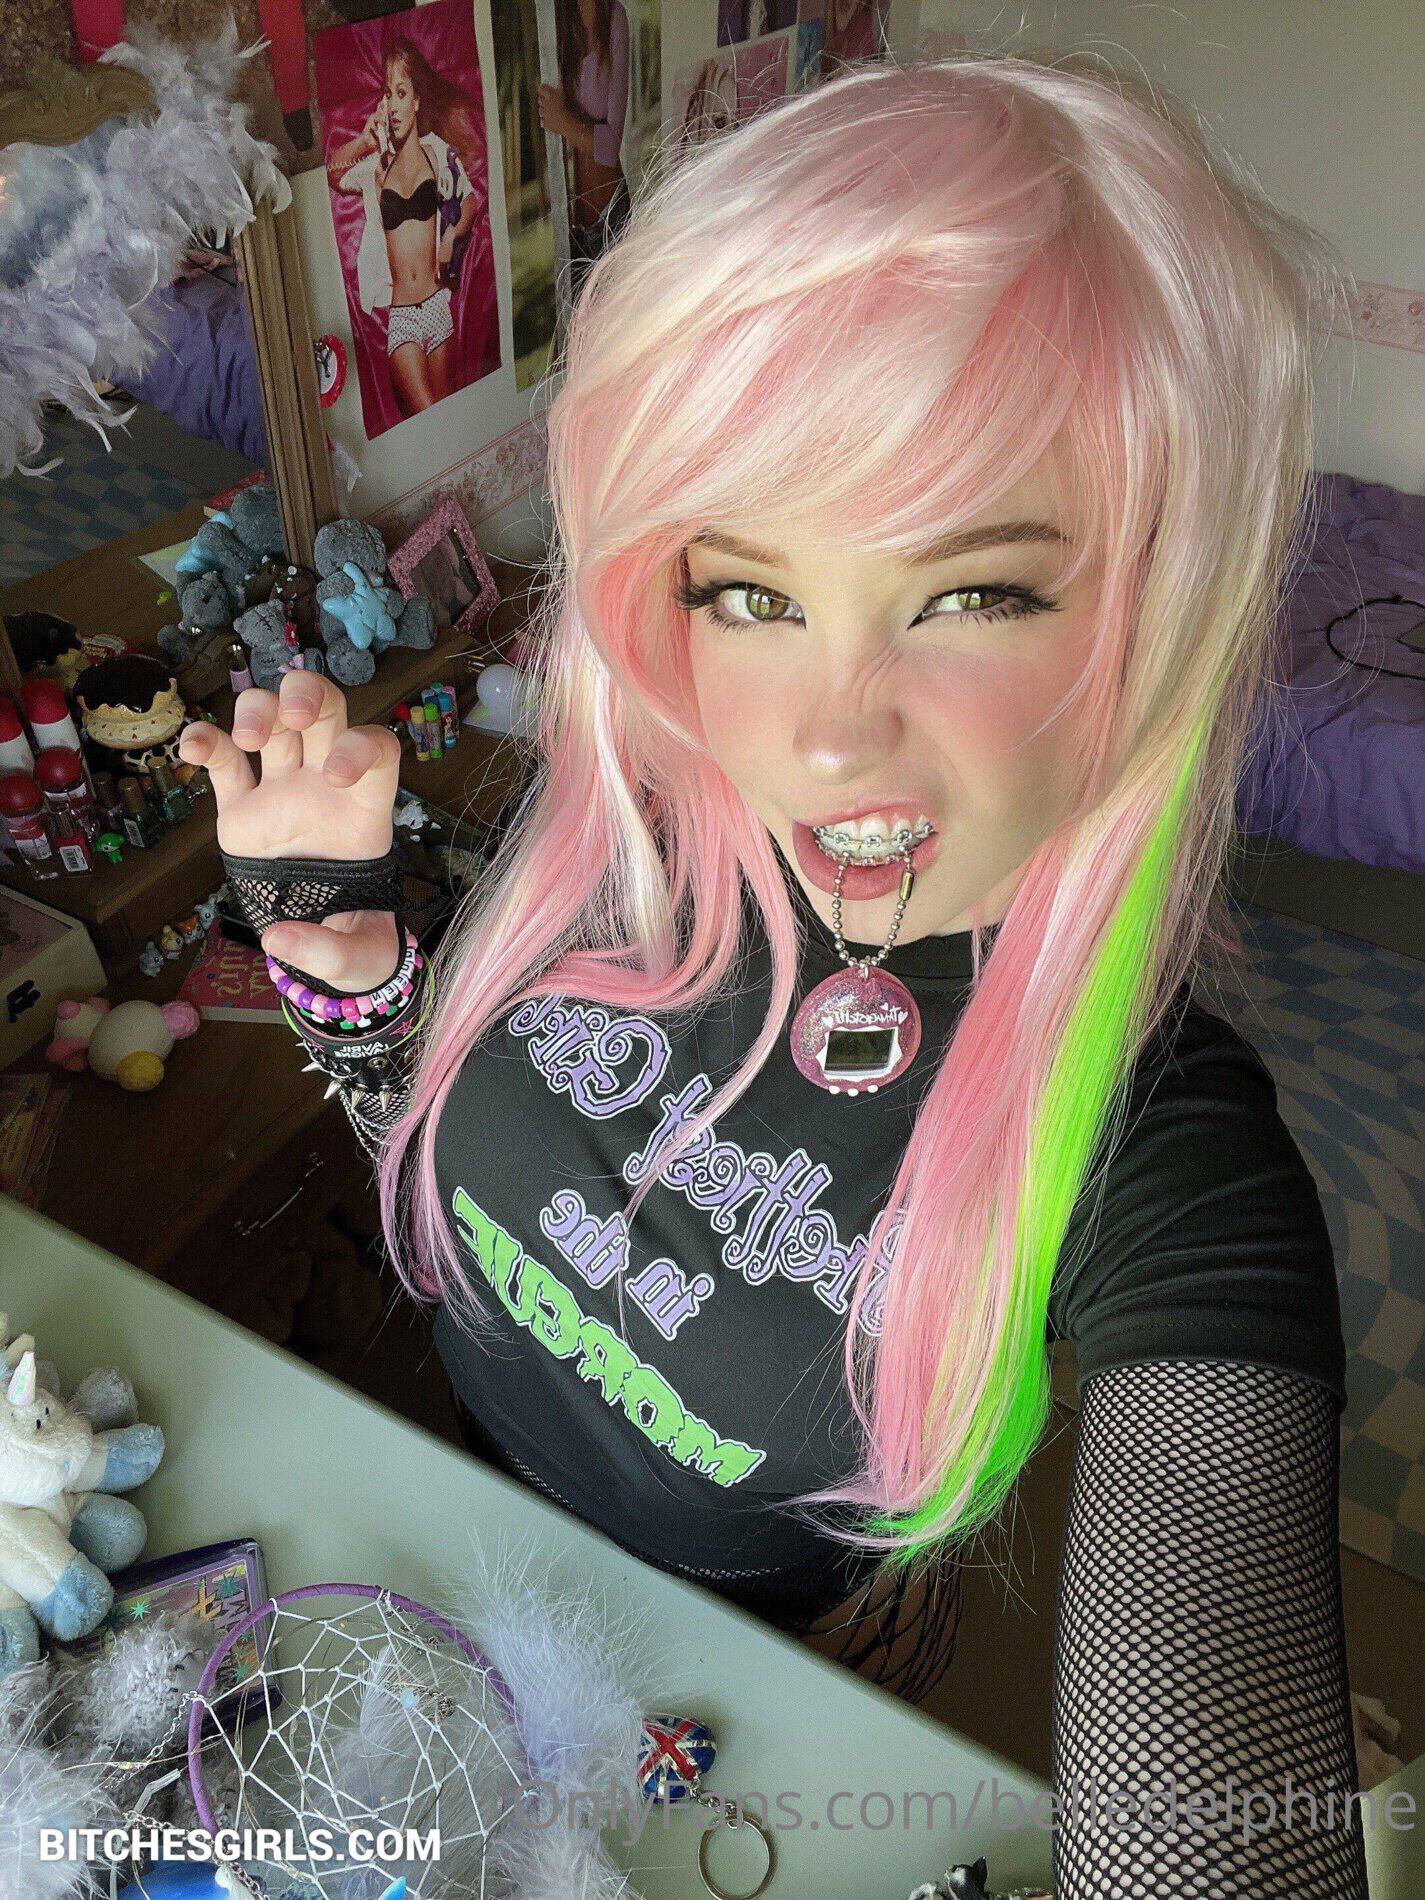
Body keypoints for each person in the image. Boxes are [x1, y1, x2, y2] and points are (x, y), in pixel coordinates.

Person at [181, 53, 1370, 1895]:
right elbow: (459, 1152)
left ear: (1159, 608)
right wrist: (352, 972)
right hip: (430, 1507)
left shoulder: (1161, 1151)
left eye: (973, 594)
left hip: (739, 1684)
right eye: (751, 591)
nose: (824, 738)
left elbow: (1212, 1803)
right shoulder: (619, 846)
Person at [328, 38, 484, 415]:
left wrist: (451, 236)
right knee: (427, 411)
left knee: (446, 412)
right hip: (402, 318)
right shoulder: (377, 164)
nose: (394, 104)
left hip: (438, 306)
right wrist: (363, 142)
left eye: (402, 93)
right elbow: (334, 175)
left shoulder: (437, 152)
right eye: (388, 93)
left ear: (416, 101)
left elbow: (470, 200)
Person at [538, 0, 632, 301]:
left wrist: (563, 121)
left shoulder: (614, 17)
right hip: (572, 228)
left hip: (610, 219)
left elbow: (611, 146)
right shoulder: (556, 18)